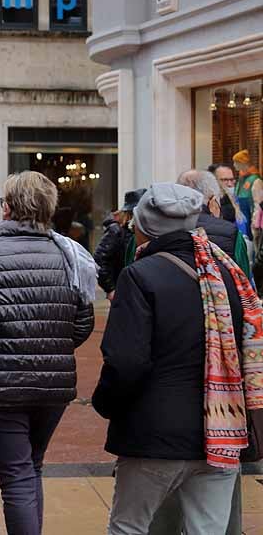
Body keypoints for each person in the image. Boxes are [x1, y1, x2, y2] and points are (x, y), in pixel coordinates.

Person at [0, 171, 94, 535]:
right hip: (53, 386)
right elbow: (83, 322)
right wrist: (51, 347)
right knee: (31, 467)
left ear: (8, 208)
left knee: (16, 474)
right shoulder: (71, 254)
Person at [94, 183, 253, 534]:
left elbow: (126, 361)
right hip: (221, 427)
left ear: (144, 227)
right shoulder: (228, 275)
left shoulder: (139, 276)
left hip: (153, 431)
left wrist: (104, 402)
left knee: (129, 526)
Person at [93, 188, 145, 300]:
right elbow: (100, 260)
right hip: (122, 290)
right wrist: (110, 289)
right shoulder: (116, 231)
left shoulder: (143, 231)